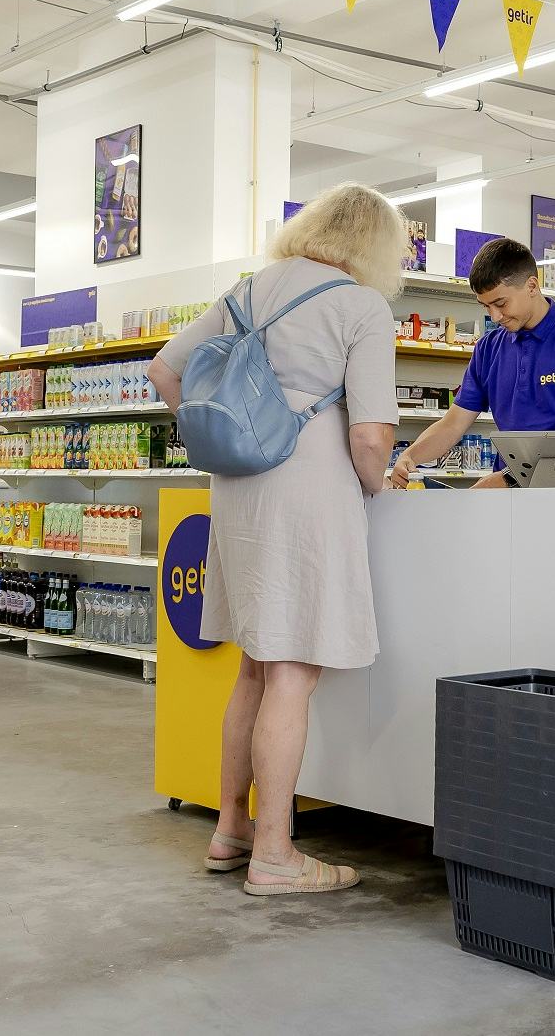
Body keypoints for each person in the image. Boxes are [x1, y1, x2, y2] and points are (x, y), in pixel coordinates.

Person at [146, 183, 408, 897]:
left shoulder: (248, 290)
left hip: (237, 488)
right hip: (308, 492)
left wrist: (229, 432)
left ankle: (230, 827)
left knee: (254, 668)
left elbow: (164, 369)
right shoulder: (361, 307)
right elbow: (371, 436)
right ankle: (275, 853)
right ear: (376, 246)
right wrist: (382, 482)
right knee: (293, 672)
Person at [387, 238, 555, 488]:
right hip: (507, 493)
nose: (494, 316)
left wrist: (509, 478)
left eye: (501, 303)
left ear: (532, 286)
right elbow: (453, 424)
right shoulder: (488, 348)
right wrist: (410, 456)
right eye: (485, 306)